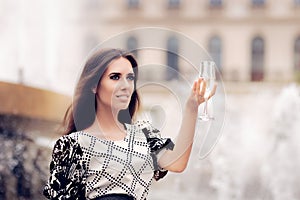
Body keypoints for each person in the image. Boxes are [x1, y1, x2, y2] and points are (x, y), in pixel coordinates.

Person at [43, 48, 217, 200]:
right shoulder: (73, 145)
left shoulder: (144, 136)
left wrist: (192, 108)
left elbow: (177, 163)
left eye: (130, 77)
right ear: (94, 85)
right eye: (115, 77)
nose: (126, 85)